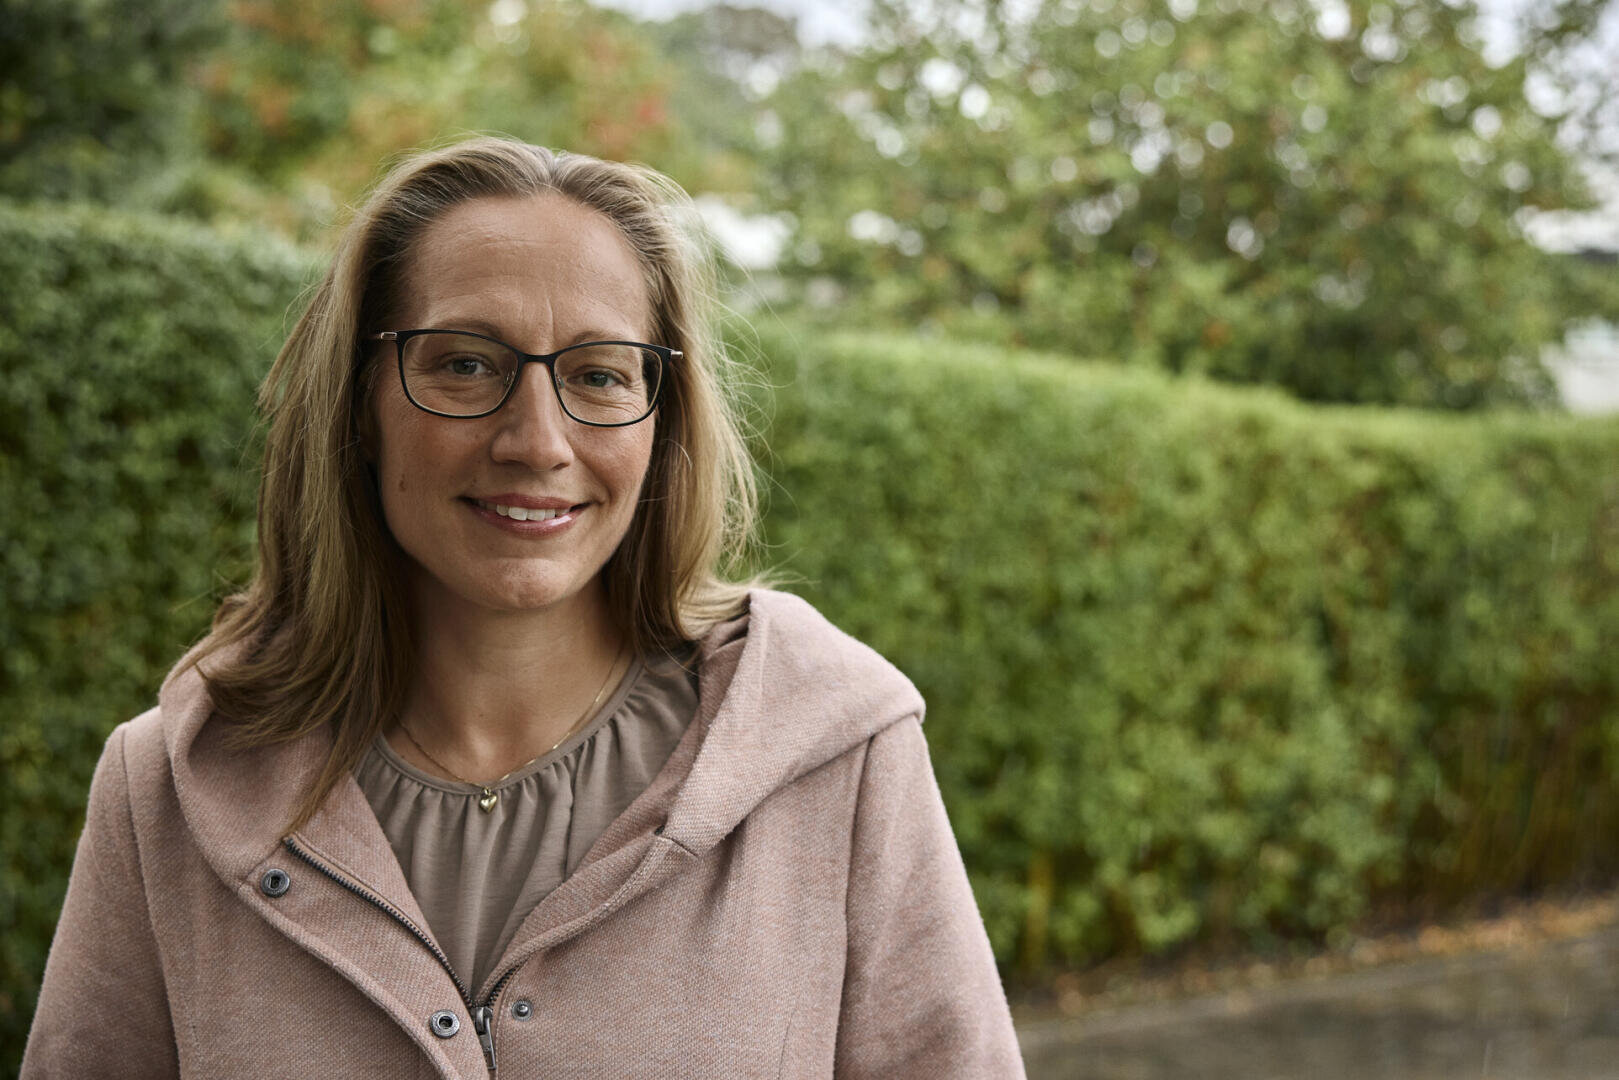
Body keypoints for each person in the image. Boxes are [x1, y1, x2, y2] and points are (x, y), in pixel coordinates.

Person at [22, 137, 1024, 1079]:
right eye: (465, 363)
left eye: (596, 374)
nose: (537, 440)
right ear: (360, 403)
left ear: (660, 422)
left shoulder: (838, 755)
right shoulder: (166, 792)